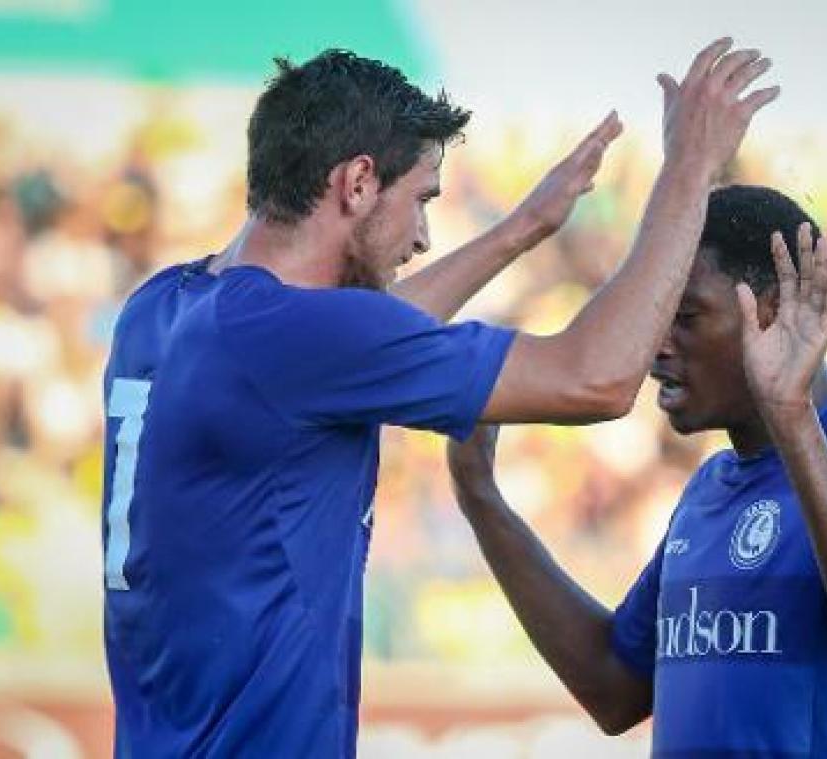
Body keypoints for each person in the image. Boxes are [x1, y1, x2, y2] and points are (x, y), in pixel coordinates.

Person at [101, 41, 779, 757]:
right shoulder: (283, 334)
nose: (423, 236)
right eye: (422, 199)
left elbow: (353, 339)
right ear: (358, 182)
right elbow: (595, 378)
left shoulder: (164, 306)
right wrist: (689, 168)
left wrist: (521, 230)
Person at [447, 185, 827, 757]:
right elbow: (614, 689)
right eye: (654, 319)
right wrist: (481, 496)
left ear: (774, 314)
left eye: (686, 317)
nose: (656, 347)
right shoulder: (709, 488)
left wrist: (790, 416)